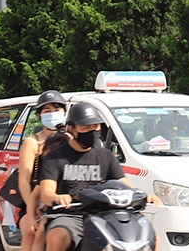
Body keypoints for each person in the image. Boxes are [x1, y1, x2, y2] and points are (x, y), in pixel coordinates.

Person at [37, 102, 160, 251]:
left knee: (151, 236)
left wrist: (143, 197)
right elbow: (46, 193)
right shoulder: (55, 157)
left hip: (106, 215)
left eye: (96, 126)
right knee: (57, 236)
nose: (92, 130)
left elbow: (124, 185)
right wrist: (59, 198)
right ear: (72, 128)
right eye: (86, 127)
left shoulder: (106, 156)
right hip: (70, 215)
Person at [18, 90, 68, 251]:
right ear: (39, 116)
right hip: (36, 199)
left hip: (64, 201)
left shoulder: (71, 139)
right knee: (31, 231)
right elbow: (24, 180)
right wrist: (32, 210)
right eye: (47, 111)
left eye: (56, 109)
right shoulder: (32, 142)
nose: (52, 114)